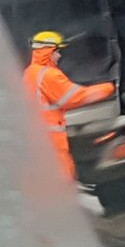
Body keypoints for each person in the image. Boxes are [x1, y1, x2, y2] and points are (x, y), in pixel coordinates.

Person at [22, 31, 116, 180]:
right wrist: (109, 88)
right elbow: (75, 98)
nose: (59, 56)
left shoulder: (29, 73)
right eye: (57, 52)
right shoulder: (48, 75)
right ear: (48, 51)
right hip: (52, 140)